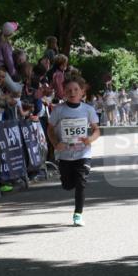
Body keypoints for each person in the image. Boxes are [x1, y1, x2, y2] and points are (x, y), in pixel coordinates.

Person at [47, 77, 100, 226]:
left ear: (82, 92)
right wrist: (56, 144)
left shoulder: (88, 109)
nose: (72, 92)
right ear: (63, 92)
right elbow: (50, 129)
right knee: (68, 185)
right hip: (64, 154)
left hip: (83, 153)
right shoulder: (59, 110)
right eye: (69, 90)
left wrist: (90, 139)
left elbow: (96, 130)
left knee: (81, 183)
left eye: (76, 89)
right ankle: (66, 180)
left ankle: (78, 214)